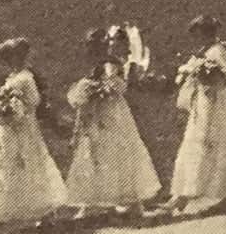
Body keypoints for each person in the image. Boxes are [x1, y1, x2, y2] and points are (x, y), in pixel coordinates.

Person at [61, 30, 160, 218]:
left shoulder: (111, 64)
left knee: (118, 150)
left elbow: (115, 87)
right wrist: (87, 91)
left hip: (112, 113)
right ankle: (91, 202)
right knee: (94, 152)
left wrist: (98, 90)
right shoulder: (94, 66)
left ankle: (132, 201)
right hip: (97, 113)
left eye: (98, 45)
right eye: (91, 46)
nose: (94, 49)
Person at [0, 39, 65, 233]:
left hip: (24, 128)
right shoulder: (10, 78)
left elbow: (34, 101)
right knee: (3, 168)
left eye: (16, 55)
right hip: (7, 130)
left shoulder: (27, 77)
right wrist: (0, 107)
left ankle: (45, 212)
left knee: (30, 165)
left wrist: (14, 107)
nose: (13, 60)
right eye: (9, 57)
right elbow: (2, 101)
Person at [168, 15, 226, 215]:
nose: (198, 37)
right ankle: (182, 195)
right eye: (197, 34)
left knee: (216, 142)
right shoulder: (202, 52)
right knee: (196, 143)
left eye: (201, 33)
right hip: (202, 101)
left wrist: (209, 76)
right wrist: (191, 73)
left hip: (217, 102)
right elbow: (191, 71)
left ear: (209, 32)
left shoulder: (217, 50)